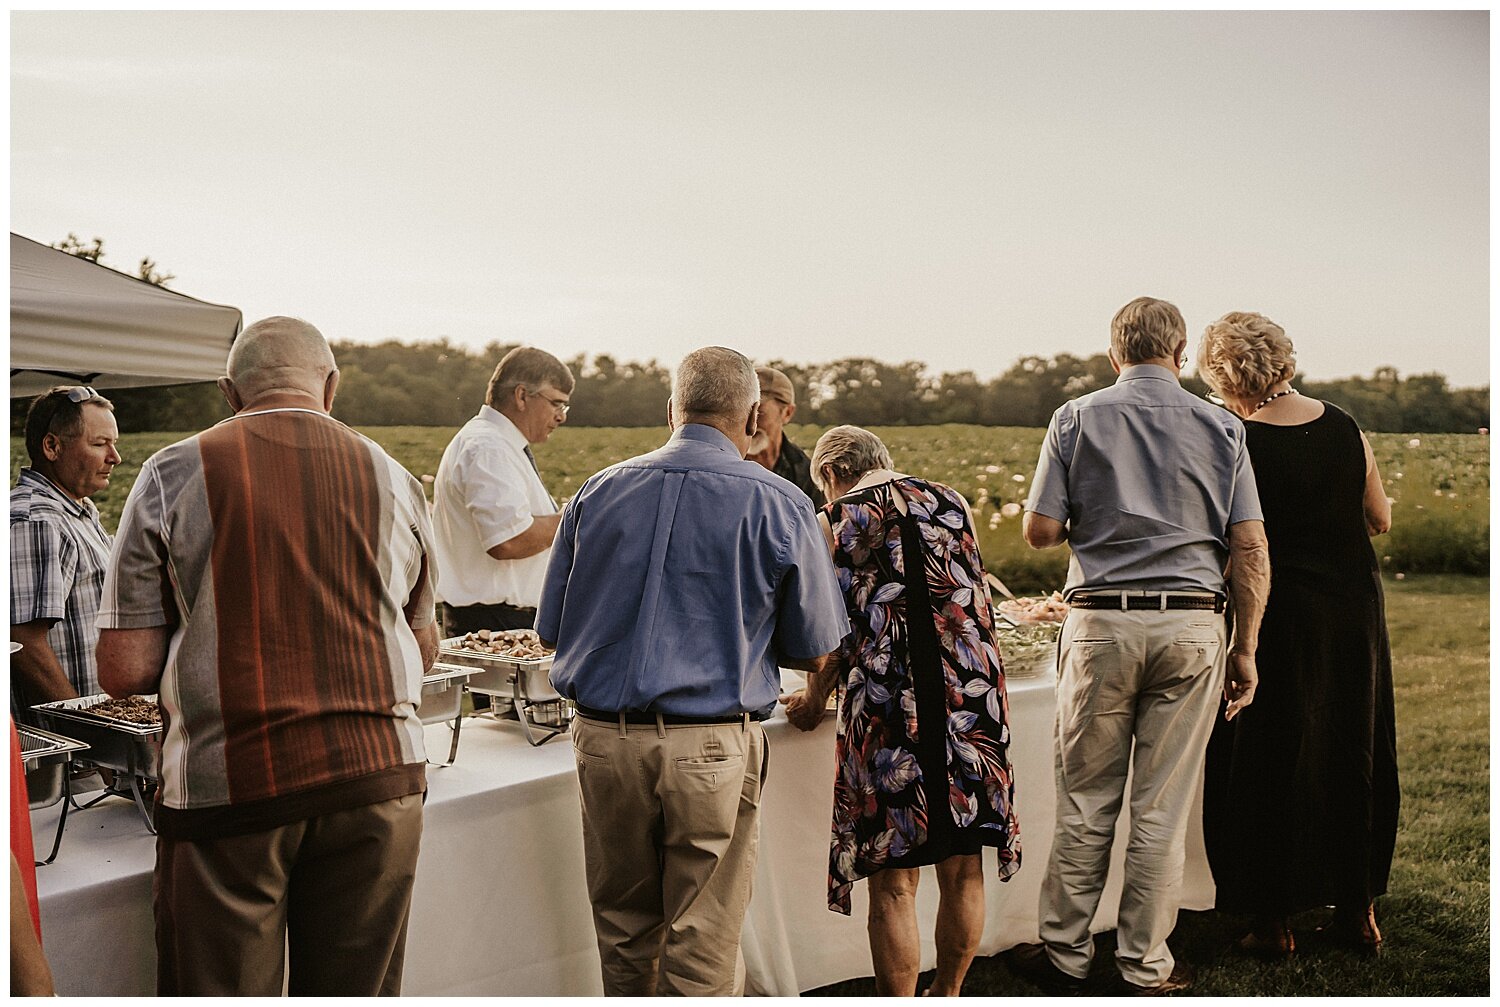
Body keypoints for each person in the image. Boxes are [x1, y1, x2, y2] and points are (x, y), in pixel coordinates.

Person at [94, 316, 439, 996]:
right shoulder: (397, 478)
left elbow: (123, 669)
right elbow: (423, 646)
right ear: (331, 385)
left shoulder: (171, 472)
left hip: (232, 787)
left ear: (229, 391)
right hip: (378, 776)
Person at [537, 346, 850, 996]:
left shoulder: (597, 491)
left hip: (606, 738)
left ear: (671, 409)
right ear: (754, 415)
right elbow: (815, 644)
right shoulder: (781, 502)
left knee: (624, 930)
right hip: (711, 743)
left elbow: (551, 631)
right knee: (703, 936)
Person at [1006, 296, 1271, 995]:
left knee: (1087, 799)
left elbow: (1039, 531)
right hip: (1192, 625)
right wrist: (1246, 648)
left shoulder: (1077, 417)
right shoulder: (1223, 427)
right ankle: (1144, 963)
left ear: (1113, 354)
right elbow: (1249, 544)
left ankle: (1065, 954)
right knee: (1162, 805)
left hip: (1102, 624)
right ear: (1180, 354)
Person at [781, 425, 1022, 997]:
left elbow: (833, 634)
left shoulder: (837, 518)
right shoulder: (952, 501)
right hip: (971, 701)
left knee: (893, 884)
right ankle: (949, 994)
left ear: (832, 477)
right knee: (964, 865)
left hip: (894, 709)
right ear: (885, 461)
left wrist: (813, 701)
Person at [1196, 311, 1398, 956]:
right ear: (1283, 360)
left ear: (1222, 373)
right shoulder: (1345, 425)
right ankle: (1357, 913)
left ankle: (1272, 920)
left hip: (1275, 612)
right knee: (1351, 748)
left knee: (1268, 755)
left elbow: (1223, 538)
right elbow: (1379, 517)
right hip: (1350, 612)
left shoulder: (1233, 438)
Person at [431, 346, 573, 640]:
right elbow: (508, 540)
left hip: (498, 618)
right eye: (556, 404)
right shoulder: (488, 447)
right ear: (522, 396)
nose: (561, 417)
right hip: (496, 622)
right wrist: (572, 518)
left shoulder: (494, 443)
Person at [10, 386, 121, 711]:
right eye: (100, 444)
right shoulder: (36, 519)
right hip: (71, 747)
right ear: (52, 446)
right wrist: (88, 730)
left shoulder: (76, 511)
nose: (115, 457)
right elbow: (23, 641)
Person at [747, 365, 825, 507]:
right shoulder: (722, 463)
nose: (750, 422)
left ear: (787, 413)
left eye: (759, 413)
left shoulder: (806, 472)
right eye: (743, 411)